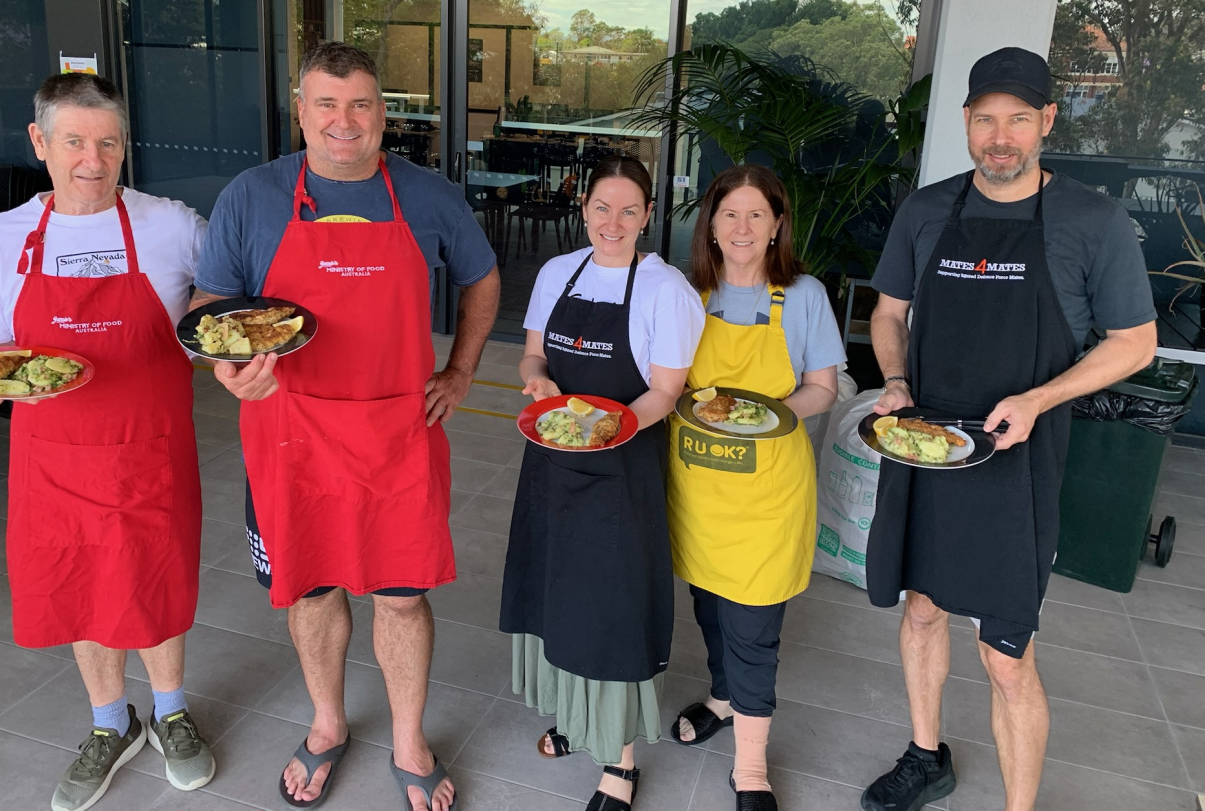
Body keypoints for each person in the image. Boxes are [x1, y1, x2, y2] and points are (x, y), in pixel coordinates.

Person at [191, 42, 500, 811]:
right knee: (313, 587)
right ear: (300, 111)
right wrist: (226, 366)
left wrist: (460, 369)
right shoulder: (252, 195)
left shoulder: (428, 197)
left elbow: (483, 280)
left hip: (400, 432)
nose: (343, 121)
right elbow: (210, 304)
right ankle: (328, 723)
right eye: (325, 104)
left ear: (382, 115)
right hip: (288, 431)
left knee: (401, 596)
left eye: (360, 103)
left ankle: (407, 736)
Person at [861, 47, 1157, 811]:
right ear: (965, 122)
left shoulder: (1094, 220)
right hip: (926, 448)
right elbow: (888, 312)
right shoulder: (927, 210)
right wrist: (894, 382)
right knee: (922, 608)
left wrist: (1039, 397)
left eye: (1018, 119)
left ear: (1047, 121)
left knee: (1005, 653)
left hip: (1020, 468)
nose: (1001, 137)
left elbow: (1135, 341)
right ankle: (925, 755)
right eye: (986, 119)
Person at [0, 73, 214, 811]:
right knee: (78, 583)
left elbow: (228, 292)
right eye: (74, 142)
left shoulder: (171, 224)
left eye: (107, 143)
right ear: (40, 143)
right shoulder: (2, 238)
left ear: (124, 146)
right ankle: (111, 723)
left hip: (150, 447)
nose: (92, 161)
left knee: (155, 577)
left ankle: (171, 712)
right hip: (54, 455)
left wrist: (220, 331)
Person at [501, 155, 705, 811]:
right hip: (553, 461)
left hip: (621, 471)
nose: (611, 223)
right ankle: (572, 714)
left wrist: (611, 428)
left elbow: (667, 392)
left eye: (627, 210)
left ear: (648, 215)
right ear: (583, 207)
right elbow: (534, 351)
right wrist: (538, 381)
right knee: (555, 590)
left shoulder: (664, 289)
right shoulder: (559, 272)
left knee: (610, 607)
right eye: (600, 208)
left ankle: (618, 759)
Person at [665, 164, 844, 810]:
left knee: (753, 627)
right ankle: (721, 694)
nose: (741, 227)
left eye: (756, 216)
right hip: (698, 491)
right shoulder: (689, 294)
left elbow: (824, 386)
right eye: (729, 214)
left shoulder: (803, 295)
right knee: (710, 607)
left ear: (776, 227)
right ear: (710, 224)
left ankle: (751, 769)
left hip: (767, 494)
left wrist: (769, 414)